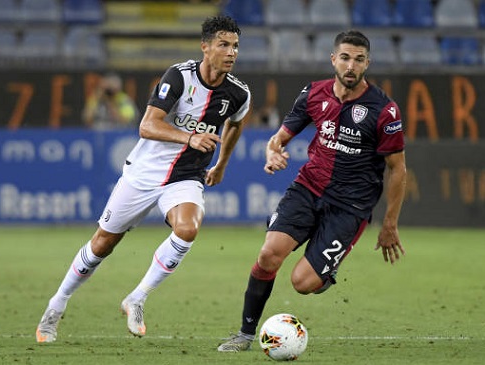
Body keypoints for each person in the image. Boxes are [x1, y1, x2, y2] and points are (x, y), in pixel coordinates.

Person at [36, 15, 251, 343]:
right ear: (205, 47)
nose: (231, 52)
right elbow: (147, 126)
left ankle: (137, 297)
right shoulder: (179, 76)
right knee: (101, 245)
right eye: (223, 44)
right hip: (143, 172)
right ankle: (57, 304)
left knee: (189, 227)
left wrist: (221, 163)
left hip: (185, 176)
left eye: (235, 46)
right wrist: (190, 138)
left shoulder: (238, 93)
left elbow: (235, 124)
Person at [217, 30, 406, 352]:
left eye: (358, 60)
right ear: (333, 59)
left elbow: (398, 169)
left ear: (367, 64)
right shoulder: (314, 94)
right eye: (345, 58)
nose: (351, 66)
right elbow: (279, 138)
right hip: (308, 188)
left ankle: (324, 270)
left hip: (350, 206)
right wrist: (273, 151)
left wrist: (389, 224)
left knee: (302, 283)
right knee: (267, 255)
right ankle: (245, 335)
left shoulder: (383, 110)